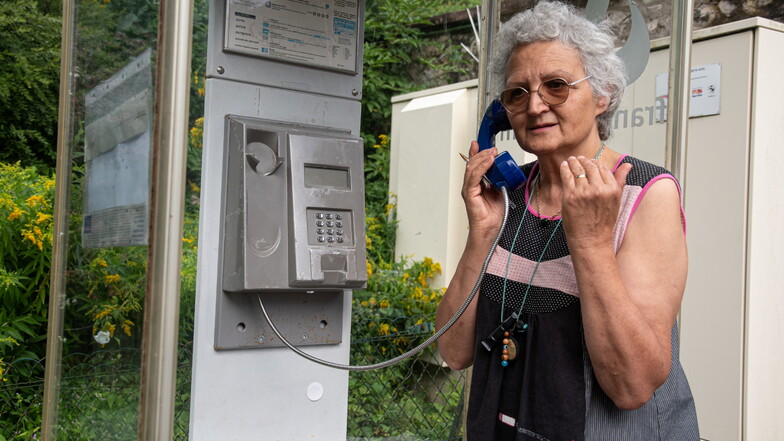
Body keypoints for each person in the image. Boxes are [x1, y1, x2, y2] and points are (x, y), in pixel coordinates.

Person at [435, 2, 699, 440]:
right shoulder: (507, 198)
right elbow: (453, 350)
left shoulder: (646, 194)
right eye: (516, 93)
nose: (534, 106)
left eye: (556, 86)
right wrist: (481, 234)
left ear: (603, 95)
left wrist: (592, 243)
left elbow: (632, 385)